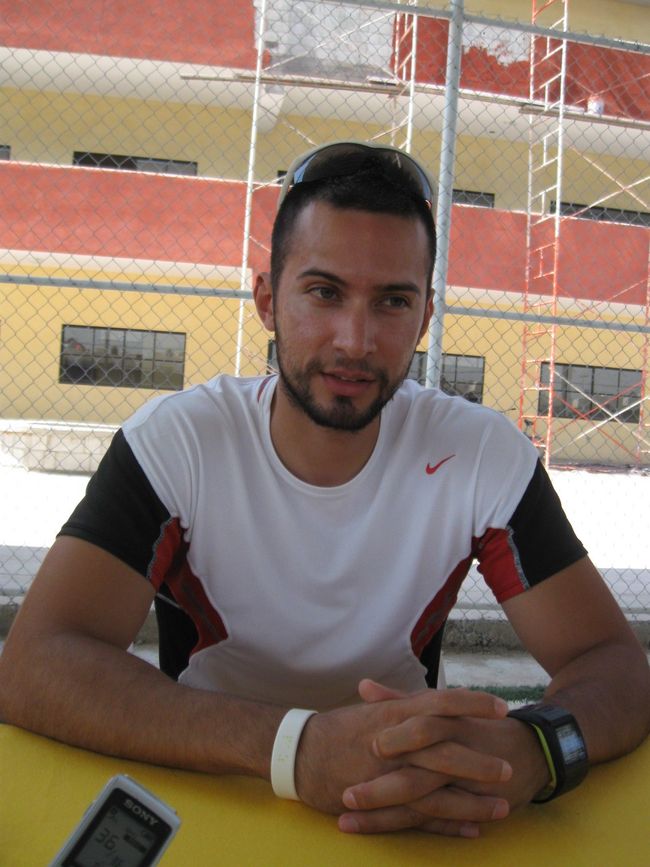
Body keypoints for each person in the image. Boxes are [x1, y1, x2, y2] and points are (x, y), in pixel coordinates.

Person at [0, 142, 648, 838]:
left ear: (425, 316)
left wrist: (537, 747)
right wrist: (296, 750)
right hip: (209, 789)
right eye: (324, 292)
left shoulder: (480, 454)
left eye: (392, 301)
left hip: (404, 816)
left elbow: (614, 665)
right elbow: (35, 665)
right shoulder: (178, 441)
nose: (355, 340)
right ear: (267, 301)